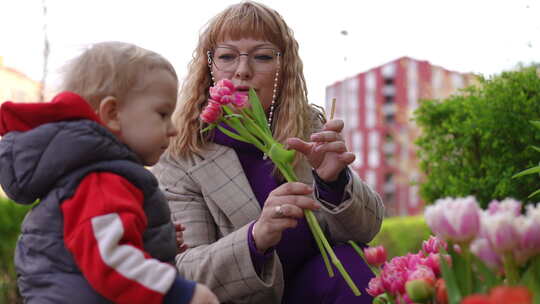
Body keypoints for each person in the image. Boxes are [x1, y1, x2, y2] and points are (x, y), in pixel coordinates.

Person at [152, 2, 384, 303]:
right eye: (227, 56)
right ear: (210, 67)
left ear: (282, 68)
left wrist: (335, 184)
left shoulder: (309, 127)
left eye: (262, 56)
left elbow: (367, 230)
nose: (243, 71)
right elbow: (185, 271)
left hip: (319, 288)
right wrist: (255, 237)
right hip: (242, 299)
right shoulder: (182, 152)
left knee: (351, 265)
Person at [0, 41, 218, 304]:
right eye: (162, 114)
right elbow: (108, 257)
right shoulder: (104, 179)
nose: (172, 129)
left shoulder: (98, 172)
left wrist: (152, 237)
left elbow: (98, 239)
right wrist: (180, 292)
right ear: (112, 113)